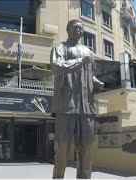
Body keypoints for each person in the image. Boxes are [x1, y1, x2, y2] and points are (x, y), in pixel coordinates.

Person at [50, 19, 104, 179]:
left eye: (81, 29)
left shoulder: (88, 52)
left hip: (86, 107)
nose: (78, 31)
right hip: (66, 106)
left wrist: (96, 82)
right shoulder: (60, 48)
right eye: (75, 28)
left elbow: (88, 74)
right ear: (68, 30)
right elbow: (57, 67)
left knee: (87, 148)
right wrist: (80, 61)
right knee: (62, 148)